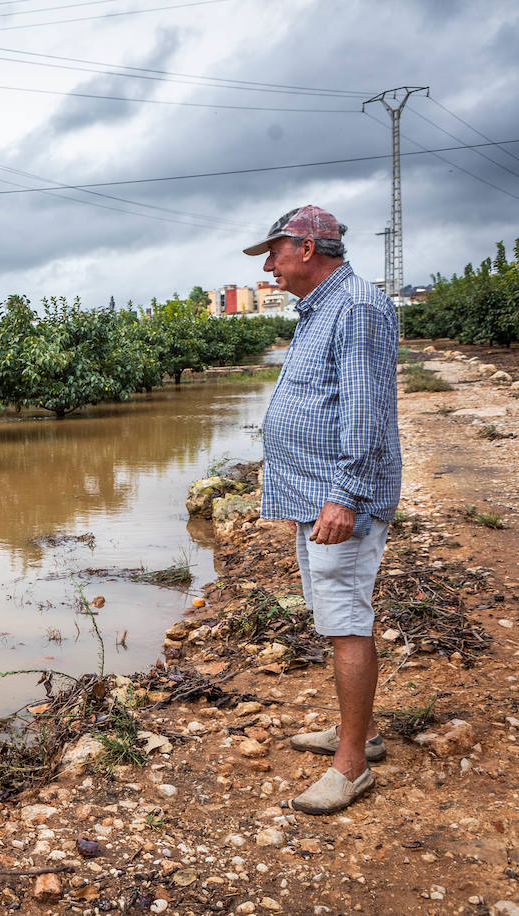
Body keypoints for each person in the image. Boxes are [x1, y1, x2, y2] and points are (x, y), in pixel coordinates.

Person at [243, 205, 401, 815]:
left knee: (345, 619)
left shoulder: (356, 307)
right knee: (335, 613)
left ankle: (352, 766)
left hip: (340, 496)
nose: (268, 264)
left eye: (273, 250)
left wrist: (342, 495)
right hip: (318, 493)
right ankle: (357, 733)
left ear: (307, 248)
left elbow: (365, 412)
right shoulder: (323, 308)